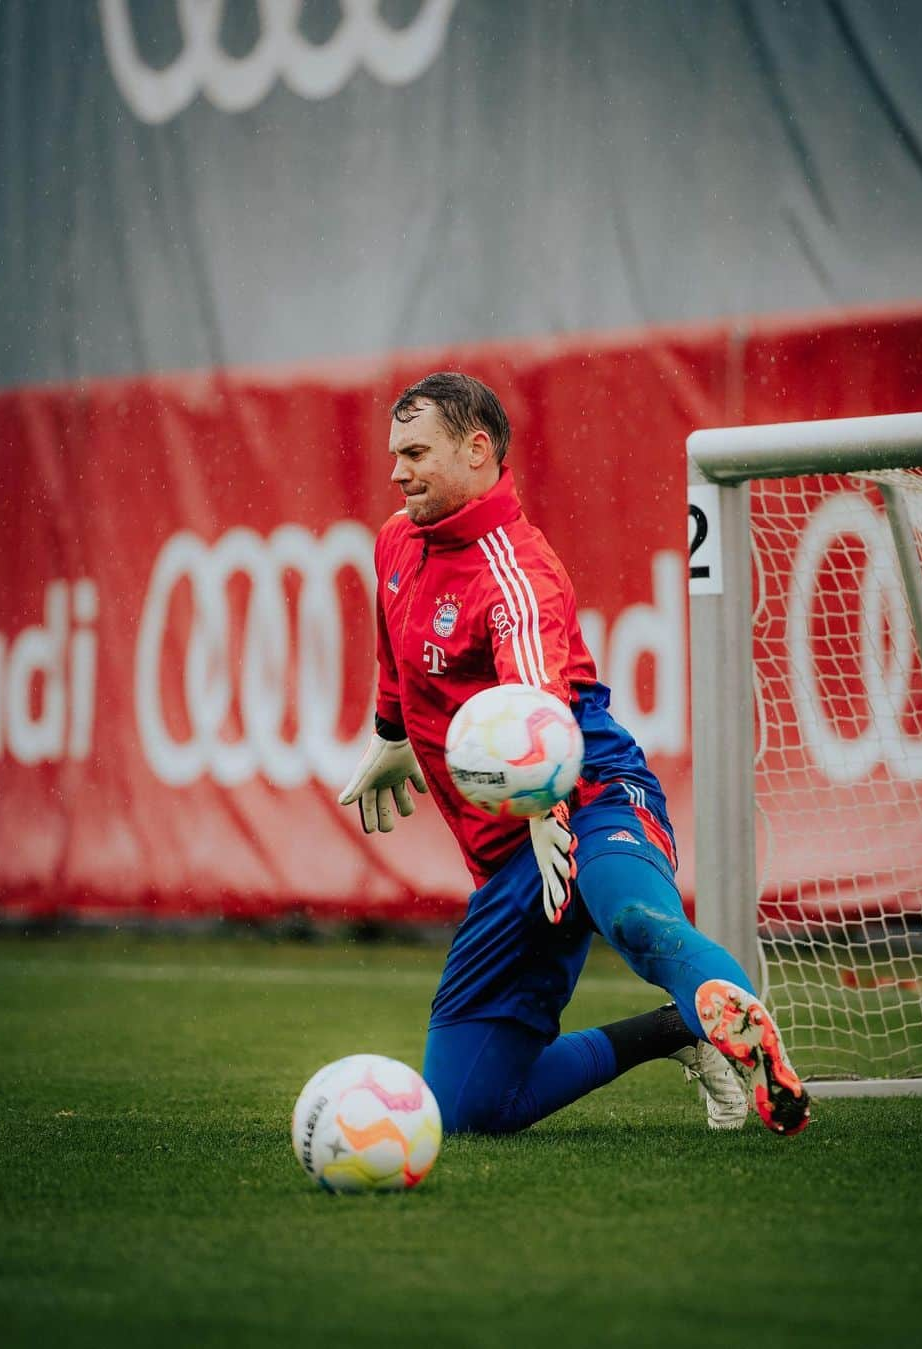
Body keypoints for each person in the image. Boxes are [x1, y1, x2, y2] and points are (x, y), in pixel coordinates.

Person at [339, 372, 809, 1138]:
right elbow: (397, 649)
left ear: (477, 449)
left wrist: (546, 807)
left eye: (416, 452)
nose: (397, 470)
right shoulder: (396, 538)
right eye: (395, 453)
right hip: (508, 853)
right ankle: (675, 1030)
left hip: (586, 800)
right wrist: (392, 731)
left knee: (633, 917)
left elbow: (538, 709)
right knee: (465, 1110)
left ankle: (743, 1031)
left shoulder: (517, 573)